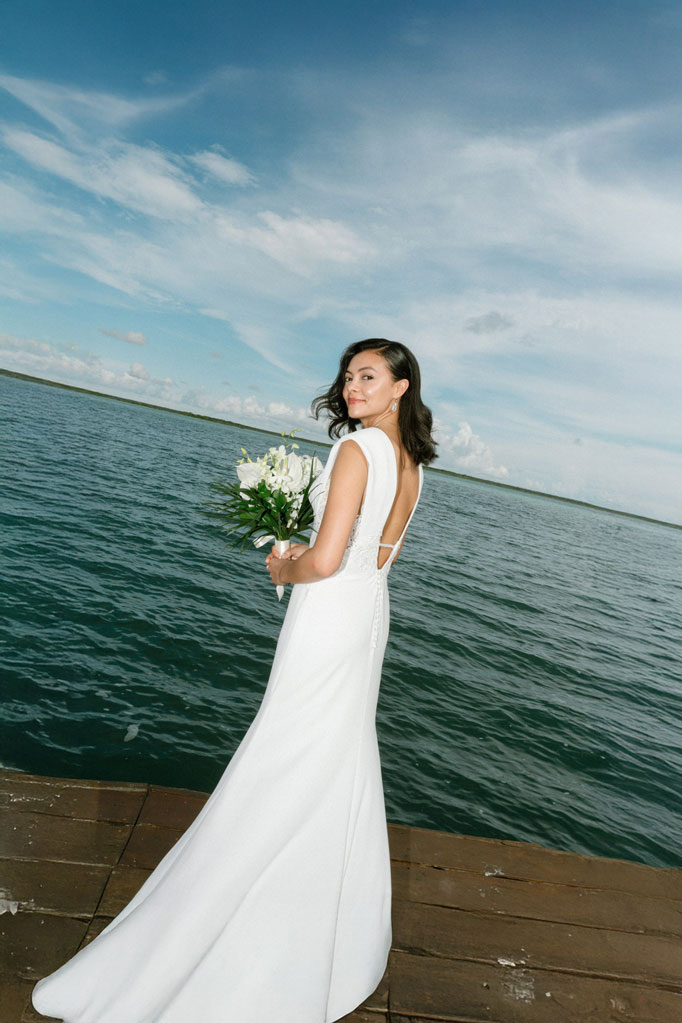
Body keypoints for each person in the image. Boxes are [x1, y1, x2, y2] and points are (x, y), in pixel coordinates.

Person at [31, 338, 437, 1023]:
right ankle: (328, 931)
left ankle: (231, 921)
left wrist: (285, 567)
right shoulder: (411, 464)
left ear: (400, 386)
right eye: (347, 376)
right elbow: (375, 554)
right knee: (334, 754)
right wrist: (311, 553)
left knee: (283, 753)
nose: (351, 387)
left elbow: (329, 558)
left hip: (328, 617)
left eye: (367, 376)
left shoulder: (355, 450)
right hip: (369, 618)